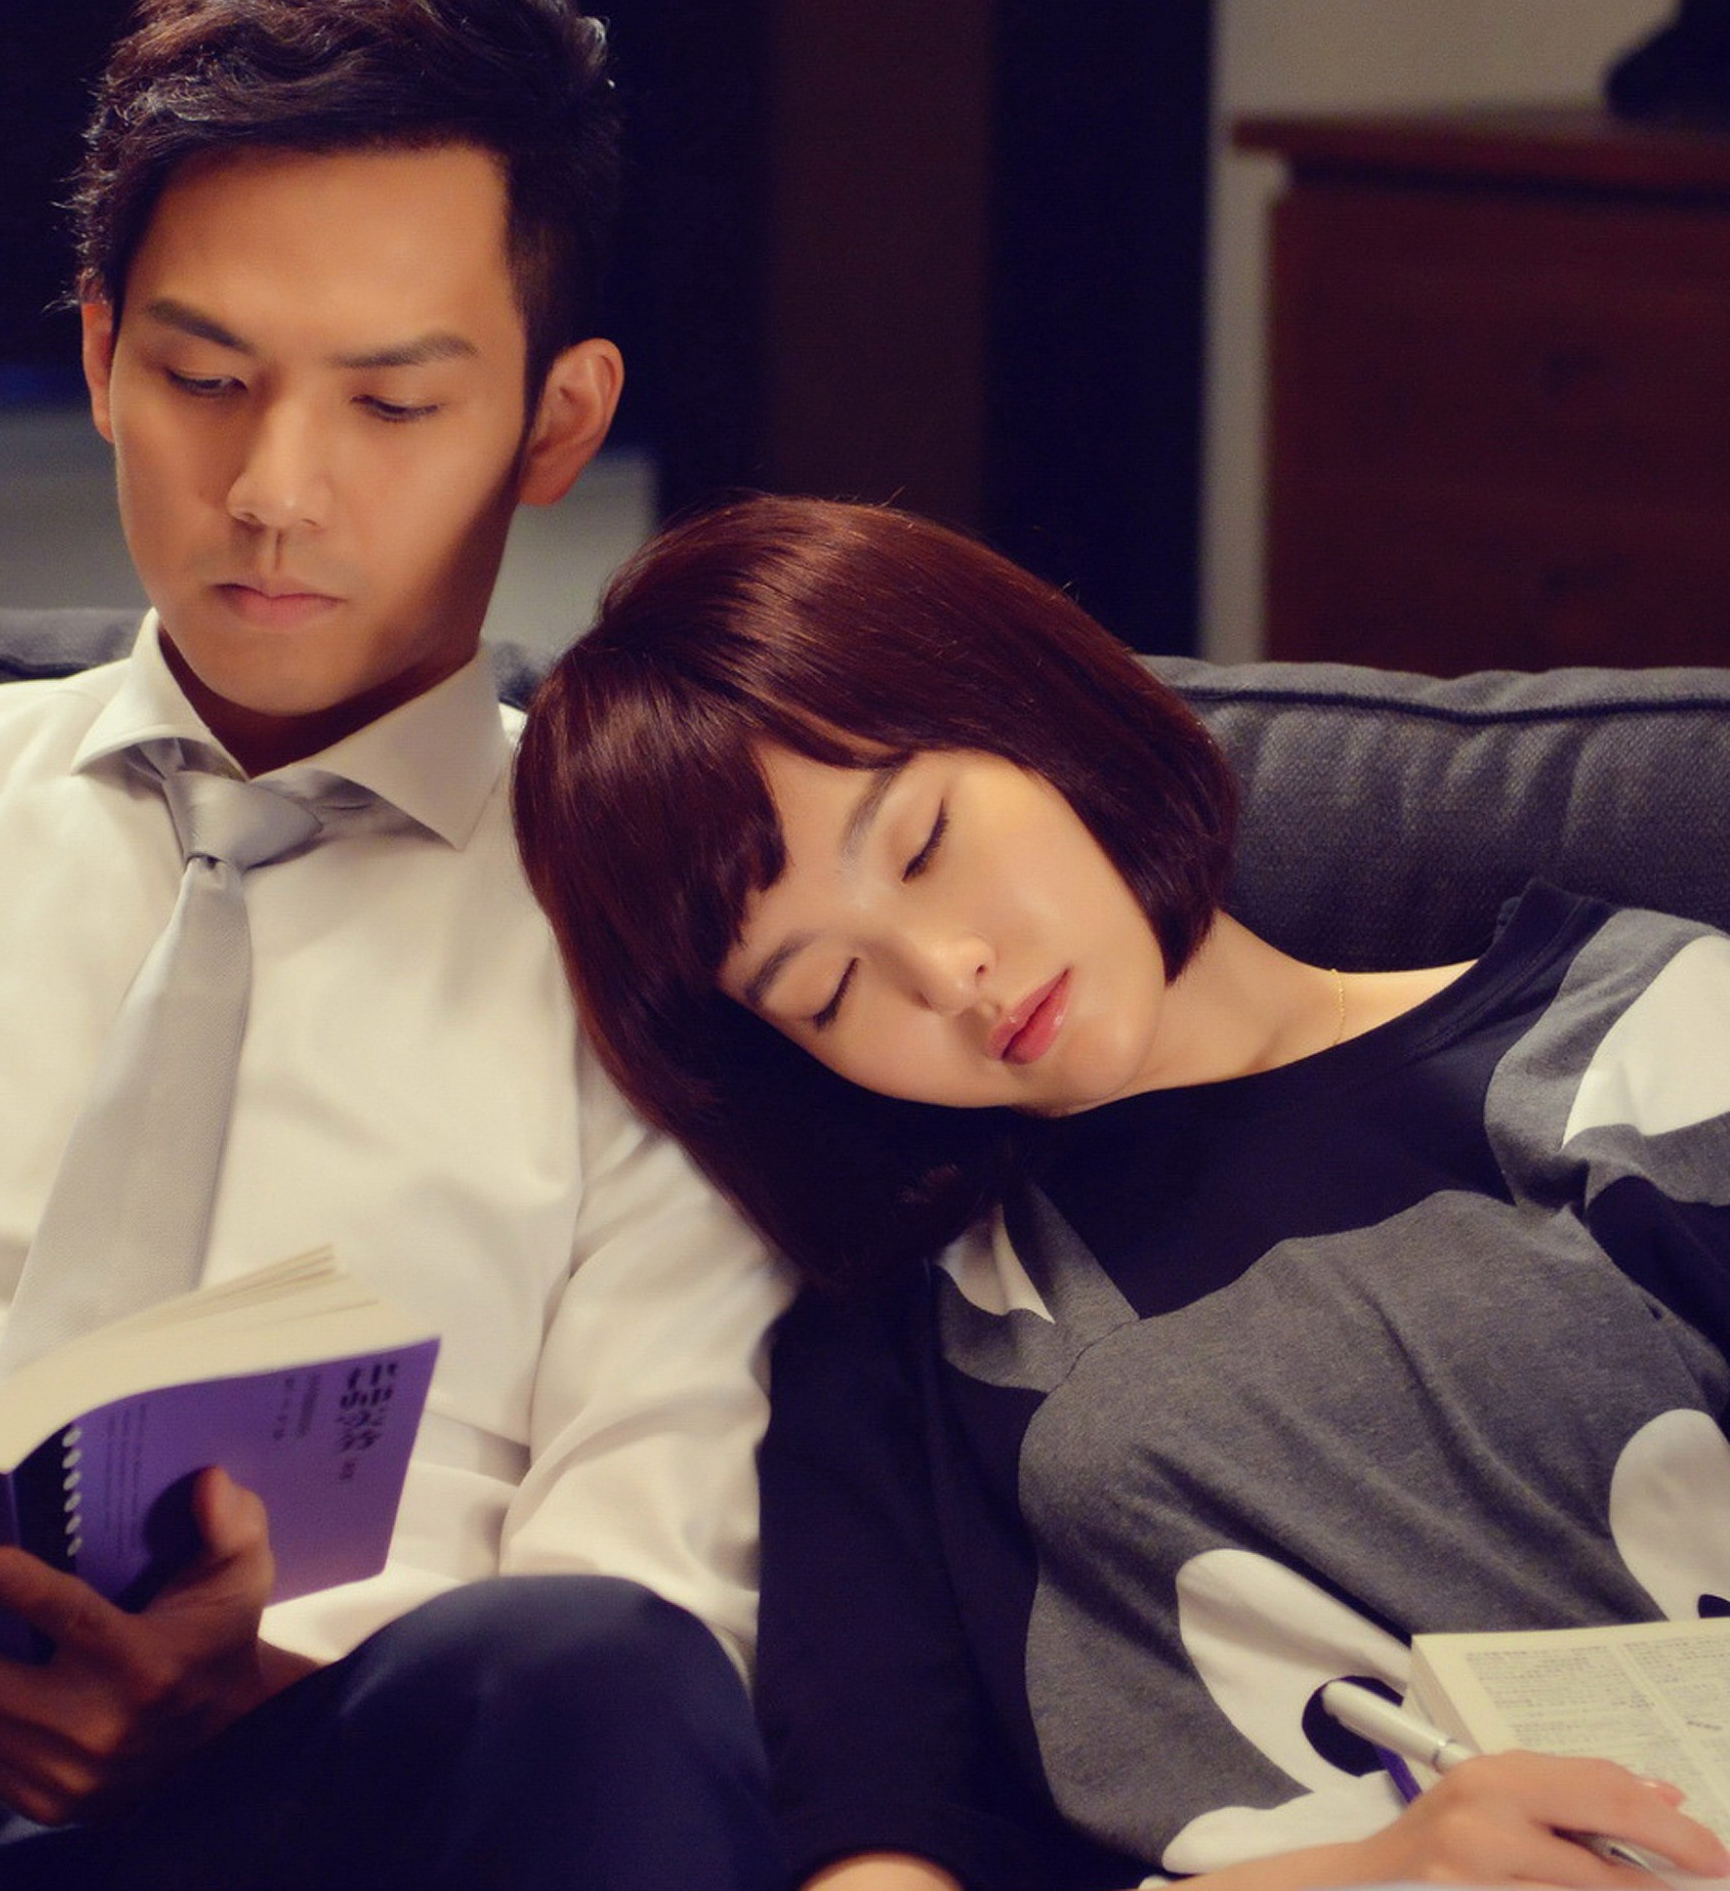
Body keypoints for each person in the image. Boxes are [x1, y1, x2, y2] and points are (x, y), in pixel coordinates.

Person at [0, 0, 788, 1889]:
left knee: (590, 1670)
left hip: (301, 1800)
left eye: (391, 404)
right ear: (101, 356)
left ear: (554, 423)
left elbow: (656, 1615)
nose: (276, 491)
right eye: (206, 376)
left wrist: (250, 1701)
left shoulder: (665, 941)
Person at [511, 493, 1730, 1891]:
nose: (947, 975)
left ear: (1032, 713)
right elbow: (875, 1846)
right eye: (832, 989)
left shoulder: (1650, 1044)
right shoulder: (903, 1340)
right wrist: (1378, 1869)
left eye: (923, 845)